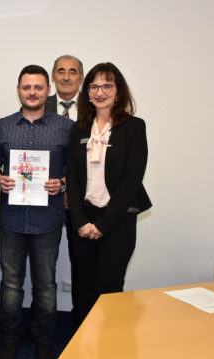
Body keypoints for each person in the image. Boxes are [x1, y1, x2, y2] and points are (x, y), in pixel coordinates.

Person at [0, 65, 73, 359]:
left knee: (46, 285)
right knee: (11, 284)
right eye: (26, 87)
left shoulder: (66, 128)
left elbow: (75, 173)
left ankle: (44, 342)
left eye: (38, 87)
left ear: (48, 90)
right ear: (18, 90)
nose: (32, 92)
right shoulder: (1, 127)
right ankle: (9, 340)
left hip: (48, 219)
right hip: (11, 217)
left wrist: (63, 183)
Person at [66, 62, 151, 330]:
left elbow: (131, 181)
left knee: (109, 288)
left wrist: (103, 225)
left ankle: (110, 352)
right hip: (82, 218)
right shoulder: (79, 129)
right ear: (87, 91)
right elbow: (74, 179)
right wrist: (80, 221)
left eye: (107, 85)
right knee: (83, 286)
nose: (100, 91)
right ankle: (79, 348)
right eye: (94, 86)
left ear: (118, 91)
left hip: (117, 221)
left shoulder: (134, 127)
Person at [46, 55, 84, 309]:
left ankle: (81, 322)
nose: (66, 76)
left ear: (81, 78)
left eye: (73, 72)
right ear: (53, 76)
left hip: (81, 199)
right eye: (61, 71)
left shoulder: (96, 106)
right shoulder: (39, 102)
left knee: (82, 263)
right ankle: (42, 324)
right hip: (44, 197)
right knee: (43, 266)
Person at [46, 55, 84, 120]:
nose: (66, 78)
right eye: (61, 72)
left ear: (81, 78)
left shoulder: (93, 106)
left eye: (72, 73)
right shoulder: (42, 105)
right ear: (52, 77)